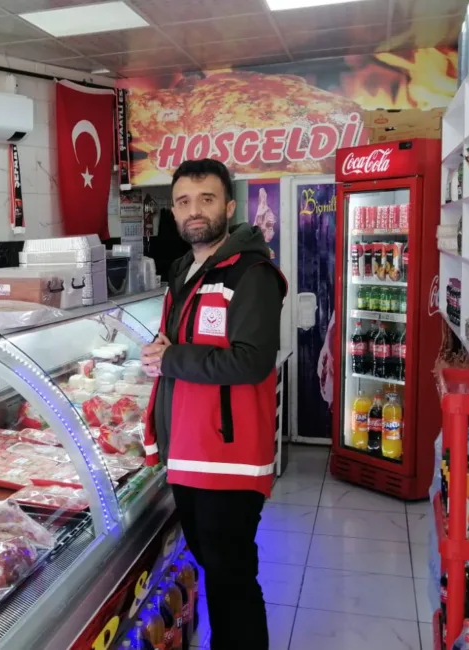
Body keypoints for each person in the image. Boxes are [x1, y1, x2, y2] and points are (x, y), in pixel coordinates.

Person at [140, 159, 285, 650]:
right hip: (188, 450)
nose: (194, 210)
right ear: (174, 211)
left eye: (206, 199)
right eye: (183, 201)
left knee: (231, 577)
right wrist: (159, 353)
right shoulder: (184, 269)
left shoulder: (252, 273)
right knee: (215, 567)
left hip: (230, 456)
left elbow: (251, 361)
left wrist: (171, 358)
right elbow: (180, 344)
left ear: (229, 206)